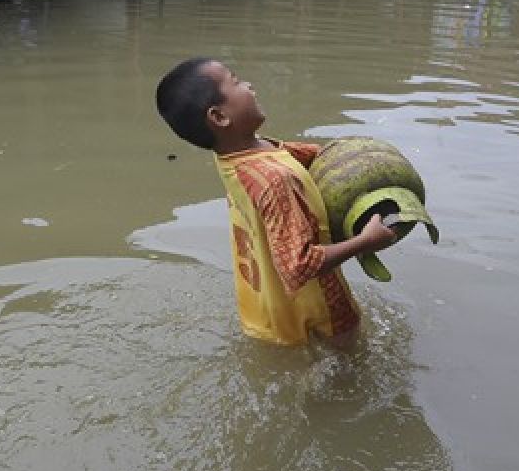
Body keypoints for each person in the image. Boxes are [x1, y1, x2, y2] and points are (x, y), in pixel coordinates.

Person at [155, 58, 395, 345]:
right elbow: (298, 266)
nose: (249, 85)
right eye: (236, 81)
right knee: (352, 378)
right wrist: (367, 241)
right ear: (219, 117)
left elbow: (306, 156)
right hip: (319, 320)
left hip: (267, 311)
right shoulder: (276, 181)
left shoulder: (237, 157)